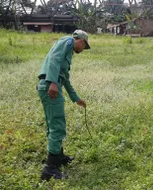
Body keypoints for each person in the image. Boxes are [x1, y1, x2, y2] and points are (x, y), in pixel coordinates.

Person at [36, 29, 90, 180]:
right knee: (57, 125)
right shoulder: (68, 41)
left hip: (50, 85)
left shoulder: (68, 52)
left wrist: (76, 98)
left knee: (53, 123)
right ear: (80, 40)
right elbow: (53, 58)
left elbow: (65, 78)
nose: (83, 50)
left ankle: (58, 156)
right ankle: (50, 169)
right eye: (84, 46)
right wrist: (53, 82)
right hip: (50, 86)